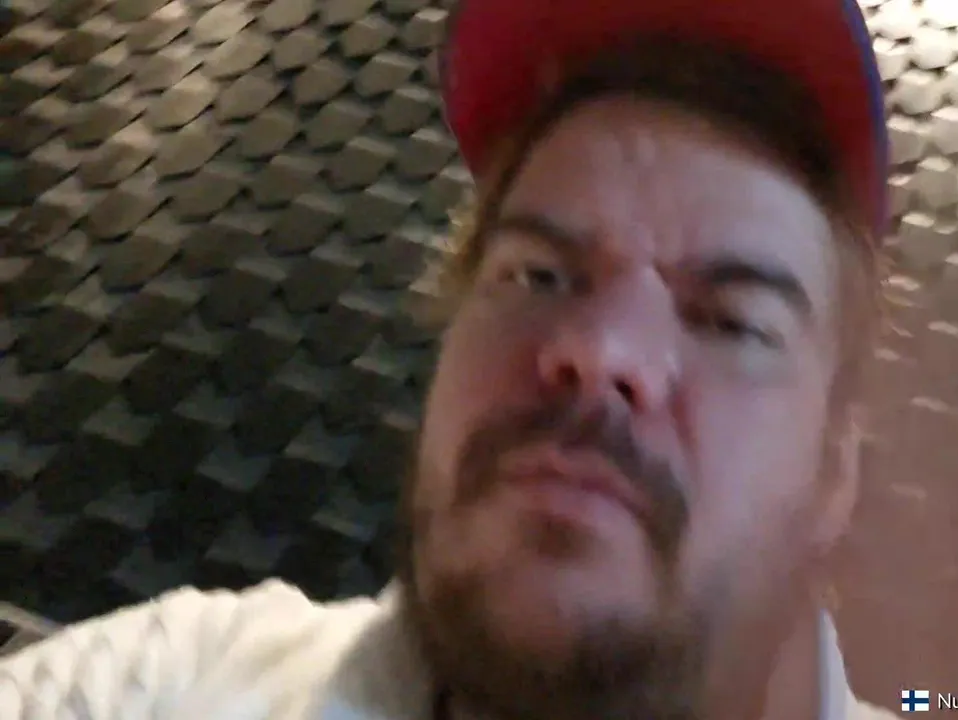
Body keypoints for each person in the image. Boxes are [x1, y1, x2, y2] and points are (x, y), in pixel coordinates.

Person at [0, 0, 896, 717]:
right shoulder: (173, 682)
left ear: (835, 476)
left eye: (731, 322)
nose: (599, 350)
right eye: (540, 274)